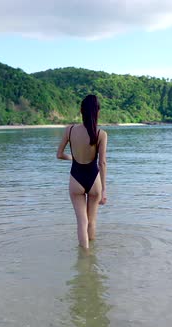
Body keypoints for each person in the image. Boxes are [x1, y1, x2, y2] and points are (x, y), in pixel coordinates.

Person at [57, 95, 108, 249]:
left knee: (82, 221)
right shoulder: (101, 134)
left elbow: (59, 155)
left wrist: (72, 158)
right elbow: (102, 162)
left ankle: (84, 256)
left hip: (76, 178)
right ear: (98, 112)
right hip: (94, 180)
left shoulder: (70, 130)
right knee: (91, 221)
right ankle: (91, 260)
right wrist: (104, 190)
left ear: (81, 111)